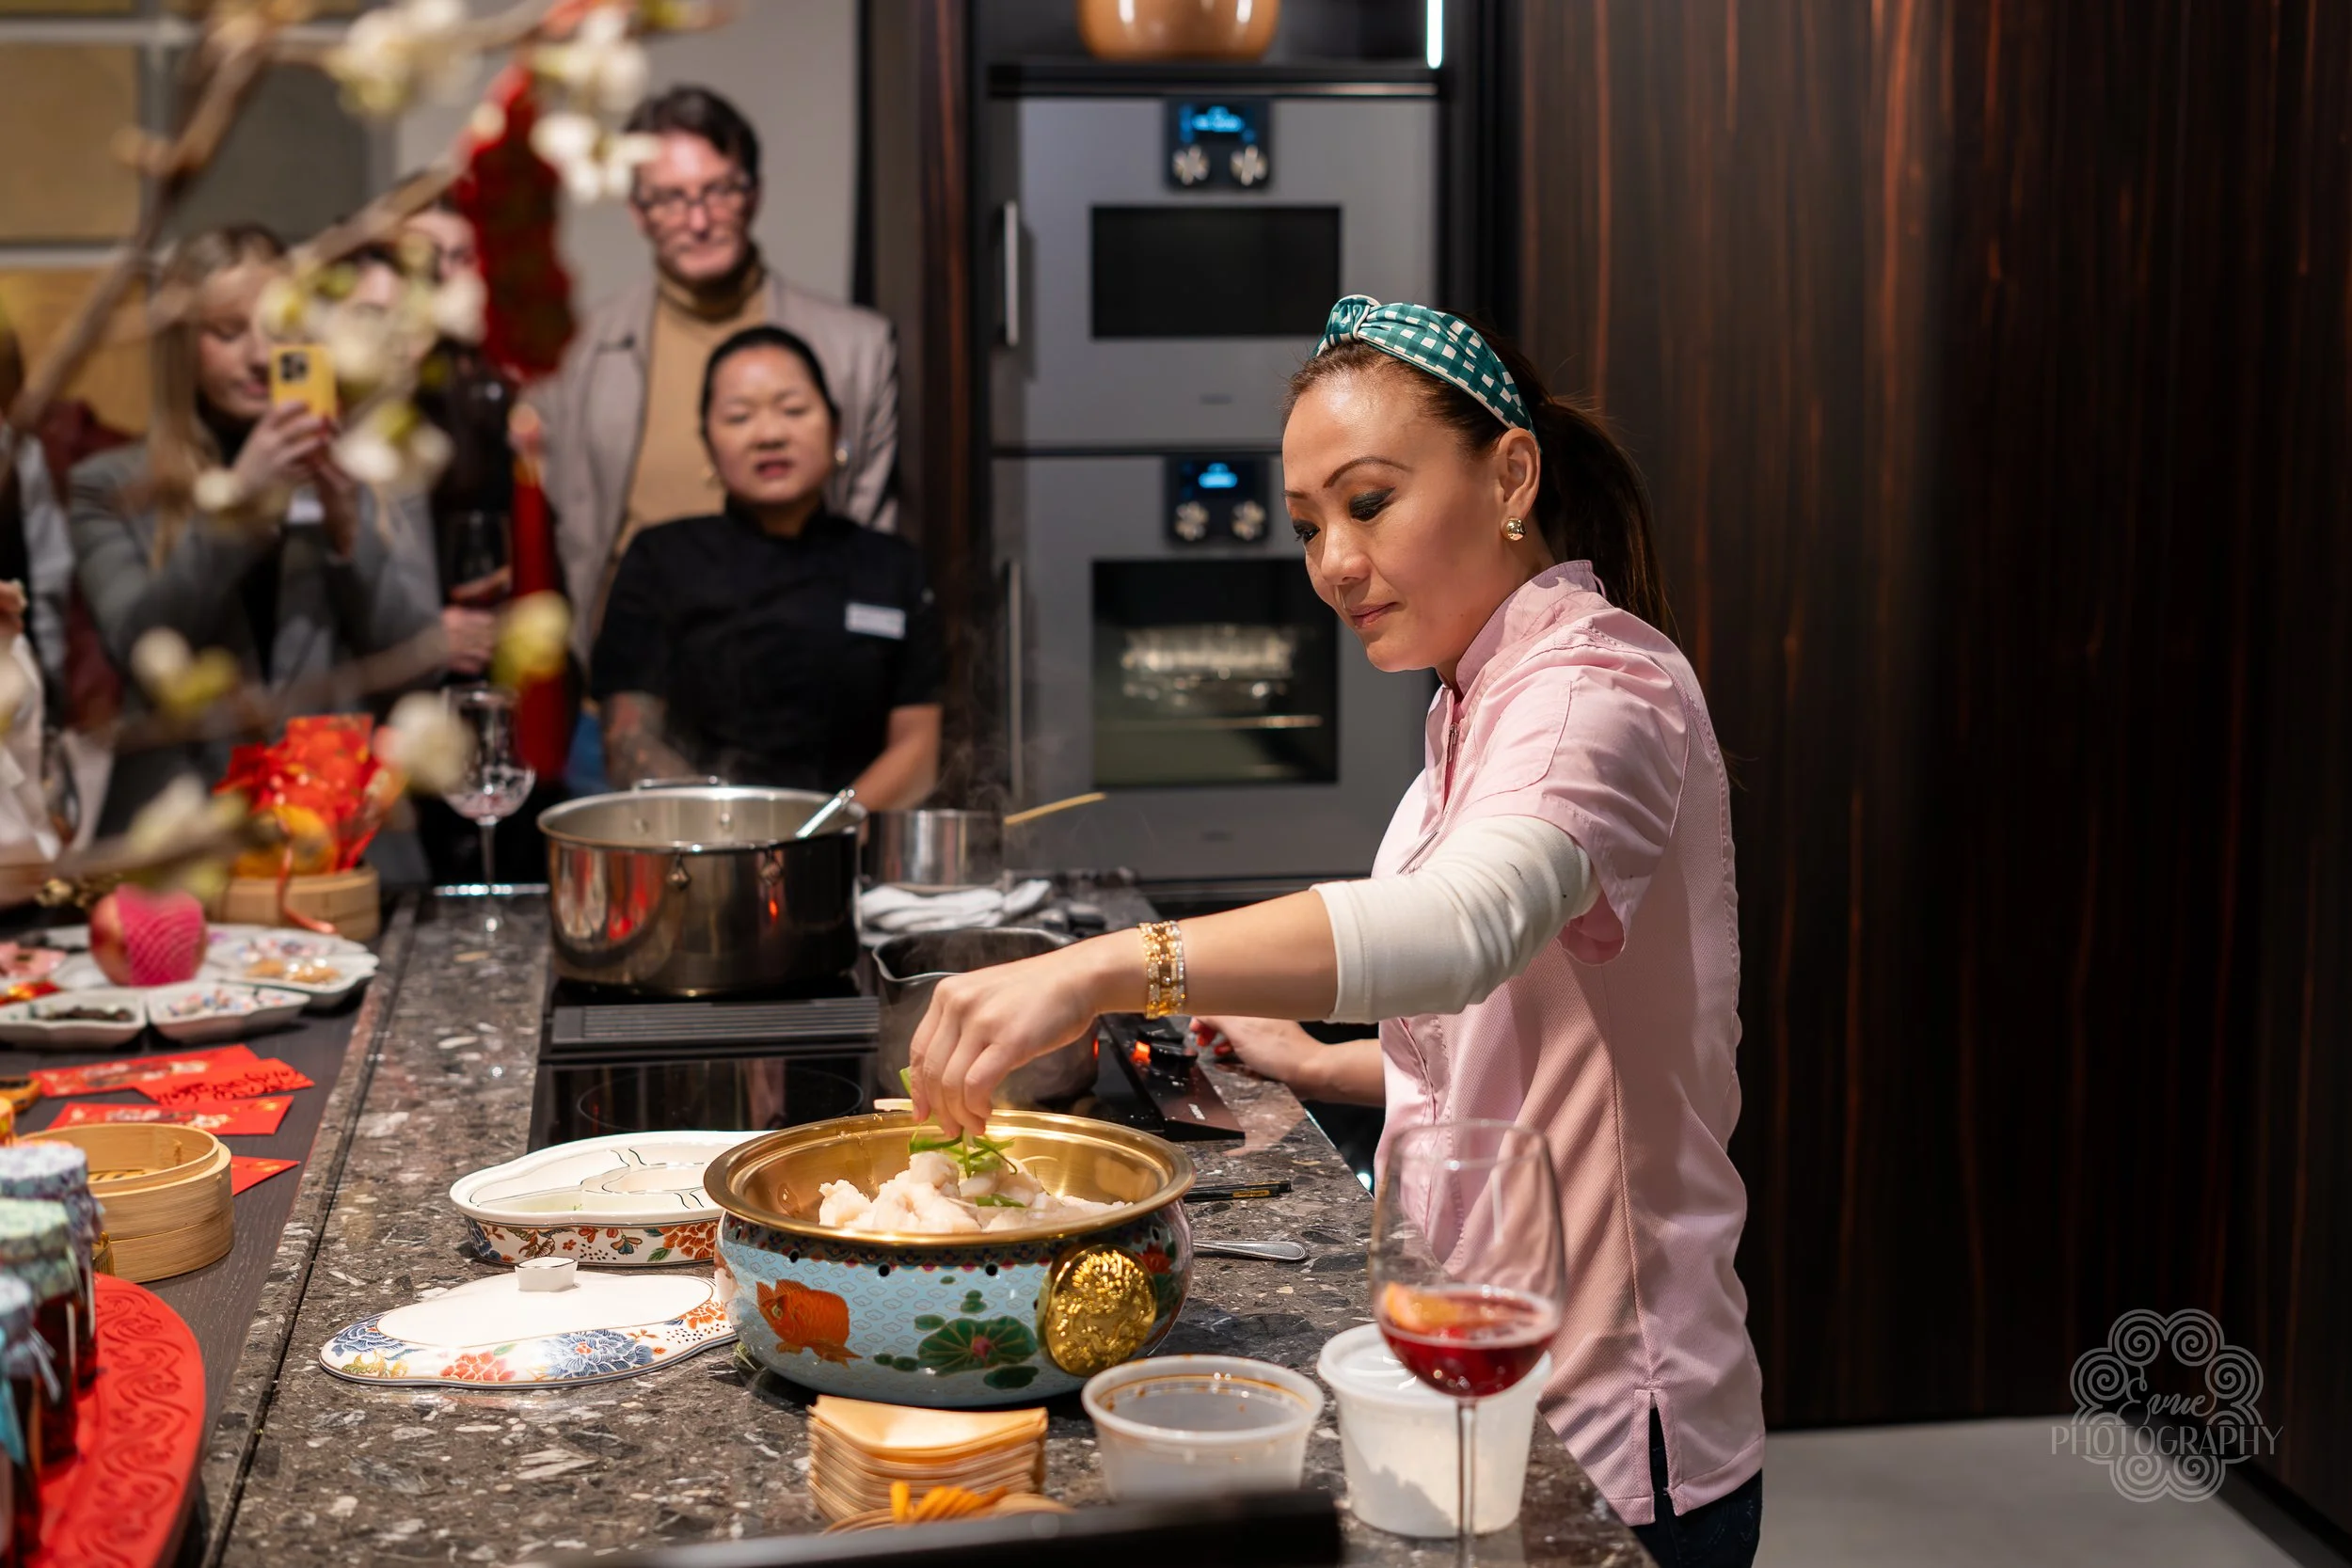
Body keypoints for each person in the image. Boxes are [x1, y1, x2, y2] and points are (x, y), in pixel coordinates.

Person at [904, 299, 1765, 1566]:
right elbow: (1510, 1040)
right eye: (1309, 525)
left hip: (1601, 1419)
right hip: (1475, 1381)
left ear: (1511, 473)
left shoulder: (1599, 688)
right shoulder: (1476, 699)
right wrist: (1316, 1060)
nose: (1333, 563)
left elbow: (1461, 926)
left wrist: (1101, 966)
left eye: (1369, 503)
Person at [537, 84, 900, 784]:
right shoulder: (577, 354)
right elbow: (560, 523)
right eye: (669, 197)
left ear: (755, 193)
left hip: (807, 721)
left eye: (719, 190)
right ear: (637, 211)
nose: (697, 219)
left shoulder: (856, 349)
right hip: (623, 714)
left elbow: (868, 535)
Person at [67, 225, 442, 833]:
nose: (261, 356)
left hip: (341, 836)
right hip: (181, 835)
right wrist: (240, 503)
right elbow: (140, 647)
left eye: (277, 327)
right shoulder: (107, 485)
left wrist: (349, 528)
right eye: (227, 331)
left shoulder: (375, 468)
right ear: (183, 345)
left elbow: (419, 665)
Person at [590, 325, 939, 802]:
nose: (770, 434)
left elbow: (917, 746)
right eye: (739, 416)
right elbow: (628, 740)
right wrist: (729, 836)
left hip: (851, 851)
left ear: (836, 428)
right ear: (709, 446)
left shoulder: (893, 566)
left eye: (794, 410)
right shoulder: (660, 557)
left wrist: (823, 835)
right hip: (701, 853)